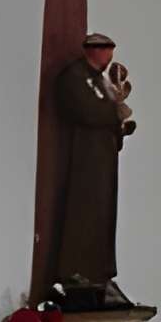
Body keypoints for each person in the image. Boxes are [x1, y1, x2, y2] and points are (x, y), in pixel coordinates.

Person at [44, 32, 134, 300]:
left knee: (103, 216)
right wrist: (113, 114)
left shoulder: (98, 81)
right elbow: (82, 108)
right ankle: (77, 275)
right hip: (85, 161)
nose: (110, 58)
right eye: (107, 52)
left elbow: (107, 109)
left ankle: (99, 274)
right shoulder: (75, 76)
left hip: (102, 161)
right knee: (85, 215)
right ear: (95, 50)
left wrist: (119, 127)